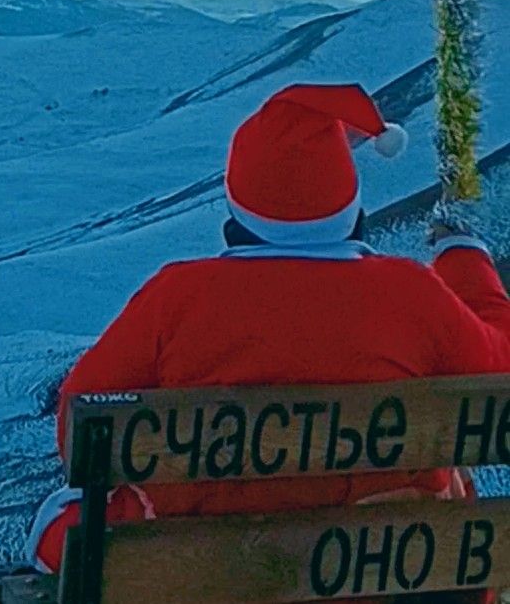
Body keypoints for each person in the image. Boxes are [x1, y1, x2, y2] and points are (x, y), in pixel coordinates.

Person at [27, 82, 510, 579]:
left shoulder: (177, 297)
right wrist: (466, 261)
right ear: (351, 215)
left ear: (237, 219)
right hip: (378, 570)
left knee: (66, 523)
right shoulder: (411, 294)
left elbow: (79, 433)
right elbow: (500, 375)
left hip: (204, 570)